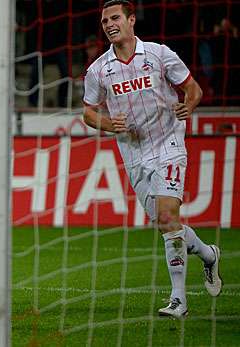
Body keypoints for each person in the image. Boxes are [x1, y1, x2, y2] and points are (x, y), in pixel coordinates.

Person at [82, 0, 222, 319]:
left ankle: (178, 300)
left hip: (168, 142)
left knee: (169, 215)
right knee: (166, 224)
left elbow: (193, 89)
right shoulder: (99, 69)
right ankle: (209, 255)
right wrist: (107, 123)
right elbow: (88, 111)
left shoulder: (160, 54)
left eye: (115, 18)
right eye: (104, 21)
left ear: (131, 20)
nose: (109, 24)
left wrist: (190, 105)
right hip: (133, 153)